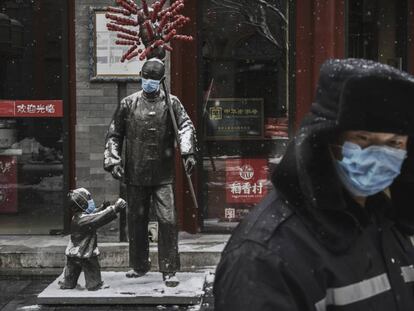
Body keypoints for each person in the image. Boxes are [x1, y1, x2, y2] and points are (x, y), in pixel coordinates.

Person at [213, 59, 414, 310]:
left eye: (395, 143)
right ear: (326, 141)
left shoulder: (385, 222)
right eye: (363, 140)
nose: (380, 154)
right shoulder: (264, 255)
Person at [104, 58, 197, 287]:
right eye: (145, 79)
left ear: (161, 81)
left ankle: (169, 269)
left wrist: (188, 153)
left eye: (153, 80)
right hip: (135, 172)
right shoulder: (128, 104)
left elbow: (185, 127)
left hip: (162, 174)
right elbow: (115, 134)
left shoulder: (172, 104)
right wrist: (114, 160)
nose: (148, 84)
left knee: (168, 220)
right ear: (141, 77)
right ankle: (138, 265)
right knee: (136, 221)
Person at [59, 188, 126, 291]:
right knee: (92, 268)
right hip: (85, 251)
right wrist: (114, 209)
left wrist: (102, 207)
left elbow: (93, 214)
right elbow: (97, 218)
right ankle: (94, 284)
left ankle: (68, 283)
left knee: (72, 269)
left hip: (73, 252)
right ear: (82, 204)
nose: (91, 202)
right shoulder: (83, 220)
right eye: (89, 199)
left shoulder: (77, 217)